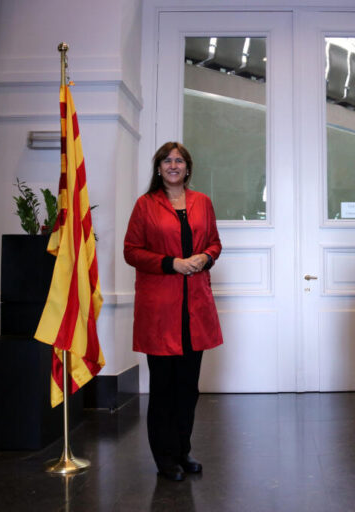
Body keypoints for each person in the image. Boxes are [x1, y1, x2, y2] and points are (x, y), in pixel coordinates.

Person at [124, 142, 223, 481]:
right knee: (164, 389)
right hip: (160, 309)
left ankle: (183, 450)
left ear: (187, 168)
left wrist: (205, 257)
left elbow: (214, 243)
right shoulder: (145, 205)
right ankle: (165, 457)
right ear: (158, 168)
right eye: (167, 160)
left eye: (179, 160)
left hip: (194, 308)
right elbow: (131, 251)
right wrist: (172, 263)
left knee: (188, 388)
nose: (173, 165)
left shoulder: (202, 202)